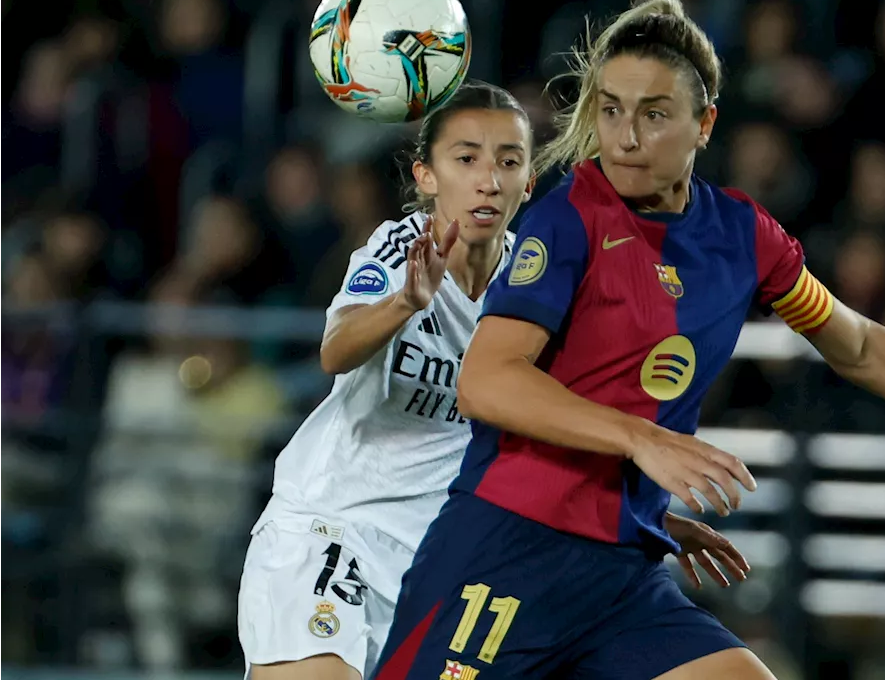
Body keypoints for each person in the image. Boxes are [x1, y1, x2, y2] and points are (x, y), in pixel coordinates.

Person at [372, 0, 885, 680]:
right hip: (508, 551)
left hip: (621, 577)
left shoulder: (742, 234)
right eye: (612, 110)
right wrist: (641, 441)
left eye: (655, 114)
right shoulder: (570, 218)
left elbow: (856, 344)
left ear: (706, 124)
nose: (626, 137)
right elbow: (487, 379)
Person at [236, 80, 753, 680]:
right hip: (334, 529)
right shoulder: (400, 247)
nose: (489, 178)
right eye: (466, 159)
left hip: (442, 558)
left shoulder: (538, 287)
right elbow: (336, 349)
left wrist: (647, 518)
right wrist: (406, 302)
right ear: (426, 176)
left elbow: (550, 429)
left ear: (528, 182)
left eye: (509, 161)